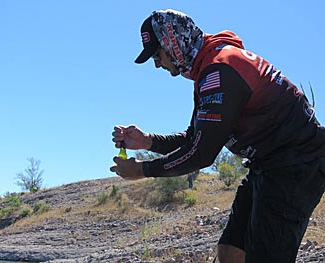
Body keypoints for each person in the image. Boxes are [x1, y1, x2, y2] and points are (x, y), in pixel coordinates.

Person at [110, 9, 325, 263]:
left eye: (158, 55)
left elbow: (201, 154)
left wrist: (142, 170)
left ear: (173, 43)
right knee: (231, 251)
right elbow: (196, 138)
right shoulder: (209, 67)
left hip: (294, 167)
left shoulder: (219, 70)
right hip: (268, 165)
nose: (158, 64)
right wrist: (148, 141)